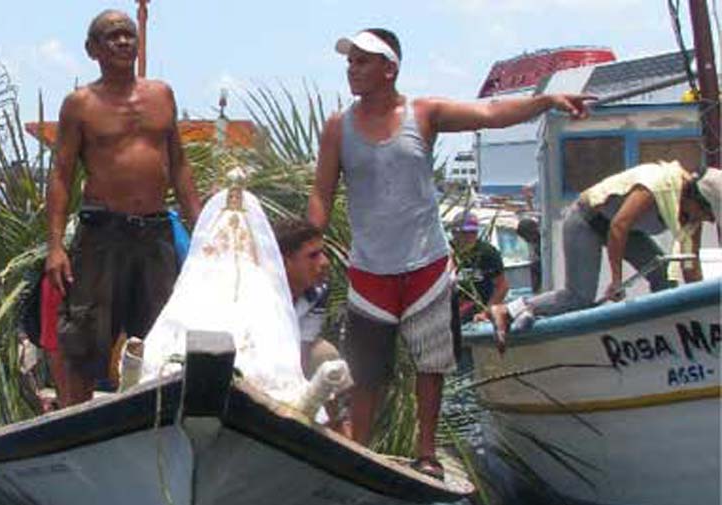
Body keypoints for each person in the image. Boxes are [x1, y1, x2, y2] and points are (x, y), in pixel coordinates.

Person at [307, 28, 593, 479]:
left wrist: (545, 101)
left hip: (426, 266)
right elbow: (321, 193)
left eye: (363, 61)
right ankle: (359, 450)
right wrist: (310, 244)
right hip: (368, 271)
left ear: (389, 68)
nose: (352, 69)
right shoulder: (338, 128)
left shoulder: (423, 113)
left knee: (432, 364)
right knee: (366, 373)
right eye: (350, 62)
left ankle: (426, 452)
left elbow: (491, 113)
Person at [44, 9, 203, 406]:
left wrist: (200, 226)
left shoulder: (161, 95)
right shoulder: (80, 104)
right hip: (102, 234)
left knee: (163, 338)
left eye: (129, 36)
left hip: (155, 233)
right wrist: (55, 247)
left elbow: (179, 164)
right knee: (84, 341)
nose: (123, 42)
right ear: (92, 49)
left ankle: (157, 423)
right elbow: (61, 173)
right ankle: (76, 425)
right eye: (112, 36)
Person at [489, 163, 721, 348]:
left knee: (665, 279)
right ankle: (508, 310)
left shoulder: (693, 217)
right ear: (695, 199)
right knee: (579, 296)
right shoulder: (656, 185)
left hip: (625, 230)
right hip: (587, 220)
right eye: (707, 214)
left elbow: (691, 267)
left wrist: (700, 315)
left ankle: (667, 337)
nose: (706, 220)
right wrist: (616, 280)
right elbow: (619, 226)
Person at [274, 218, 350, 435]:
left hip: (296, 354)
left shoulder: (319, 291)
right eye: (313, 256)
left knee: (326, 355)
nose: (324, 262)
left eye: (323, 253)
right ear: (286, 261)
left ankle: (340, 430)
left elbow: (304, 346)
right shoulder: (264, 290)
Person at [450, 212, 508, 323]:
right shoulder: (447, 252)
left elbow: (502, 286)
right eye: (465, 233)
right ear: (454, 233)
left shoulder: (487, 252)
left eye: (474, 232)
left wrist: (486, 311)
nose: (470, 236)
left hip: (480, 305)